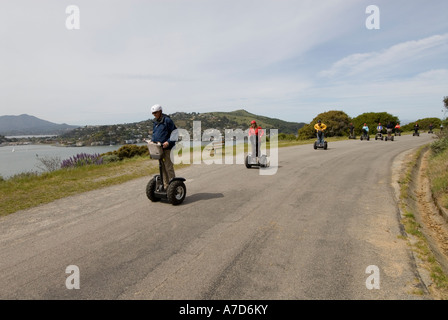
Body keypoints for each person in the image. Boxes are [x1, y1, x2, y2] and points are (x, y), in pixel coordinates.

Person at [150, 104, 177, 189]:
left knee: (168, 167)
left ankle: (173, 186)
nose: (154, 114)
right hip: (159, 149)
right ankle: (166, 186)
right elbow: (155, 134)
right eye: (153, 113)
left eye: (155, 113)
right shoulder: (156, 122)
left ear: (160, 111)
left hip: (167, 148)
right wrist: (152, 141)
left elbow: (175, 133)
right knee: (162, 168)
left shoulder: (167, 120)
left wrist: (168, 142)